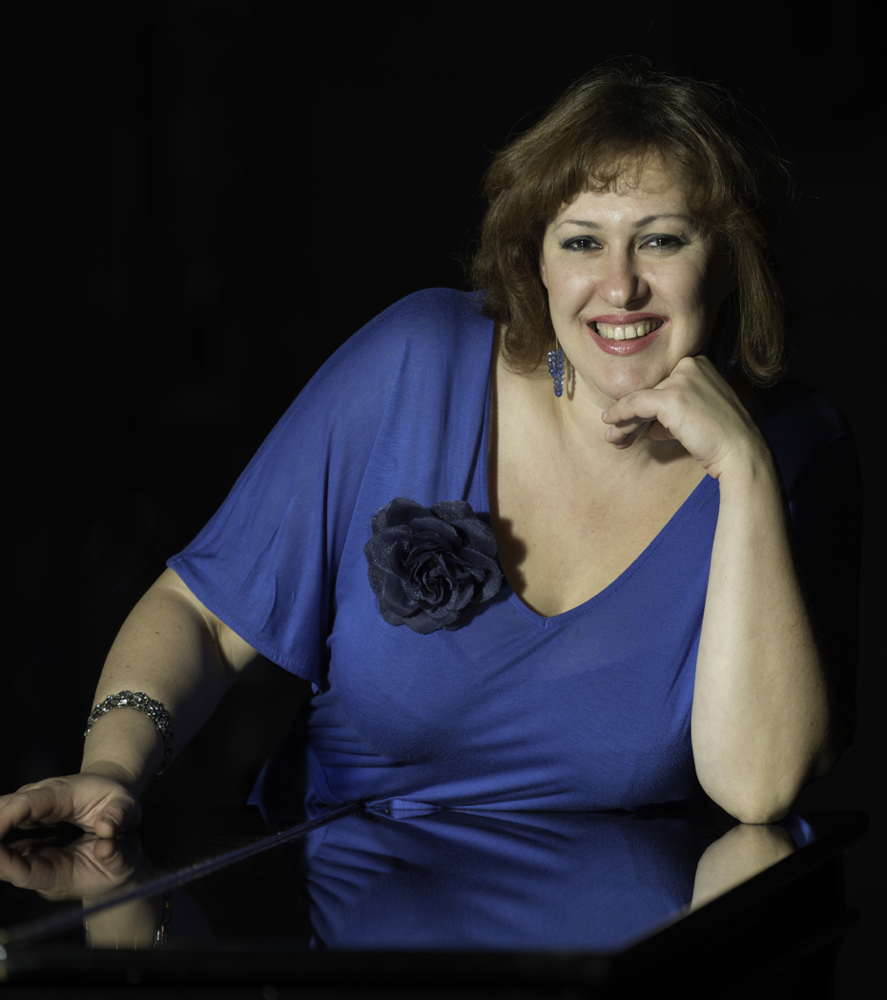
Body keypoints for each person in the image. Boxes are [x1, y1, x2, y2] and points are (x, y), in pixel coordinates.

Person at [0, 62, 860, 839]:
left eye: (661, 239)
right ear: (538, 264)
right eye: (581, 241)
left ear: (728, 261)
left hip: (623, 935)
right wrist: (112, 770)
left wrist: (743, 471)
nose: (619, 284)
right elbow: (206, 612)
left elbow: (758, 787)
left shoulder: (793, 447)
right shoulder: (418, 362)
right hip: (335, 911)